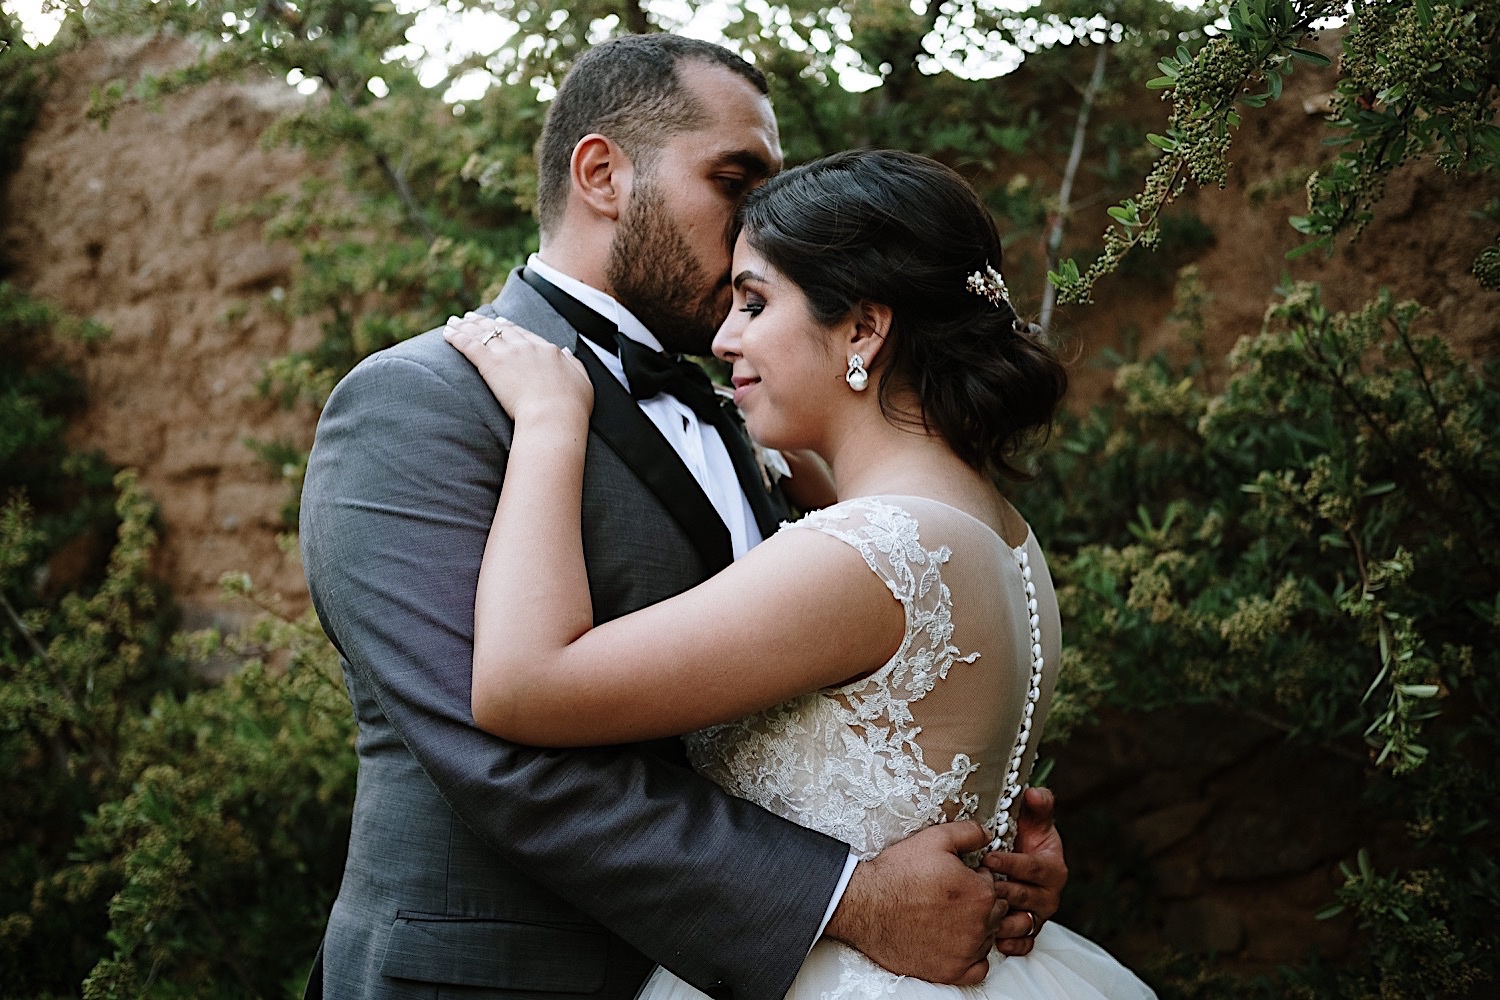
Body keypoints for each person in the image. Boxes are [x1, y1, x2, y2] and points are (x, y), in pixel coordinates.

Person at [299, 34, 1066, 1000]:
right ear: (603, 174)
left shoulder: (754, 424)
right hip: (499, 975)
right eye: (734, 180)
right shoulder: (424, 403)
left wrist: (972, 845)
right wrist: (850, 896)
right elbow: (499, 752)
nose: (760, 223)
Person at [442, 148, 1157, 1000]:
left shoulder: (871, 553)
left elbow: (525, 685)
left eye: (754, 301)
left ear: (862, 329)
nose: (722, 338)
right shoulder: (999, 532)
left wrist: (553, 421)